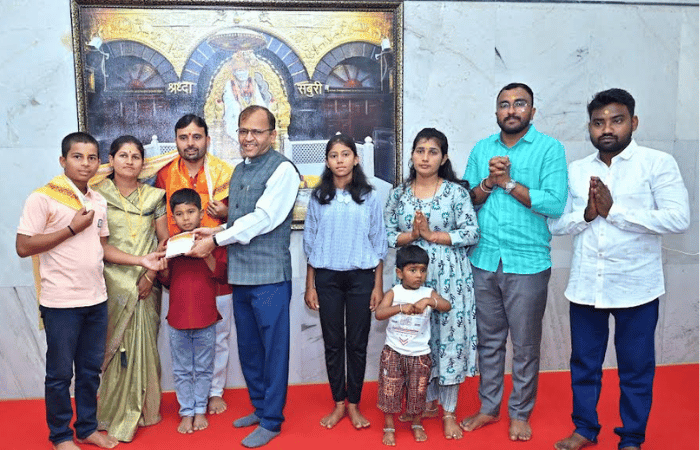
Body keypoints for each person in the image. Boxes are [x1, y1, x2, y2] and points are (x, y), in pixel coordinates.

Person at [549, 88, 690, 450]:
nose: (607, 129)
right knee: (583, 364)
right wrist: (586, 215)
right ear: (590, 127)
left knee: (636, 368)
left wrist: (615, 212)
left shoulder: (657, 163)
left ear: (633, 122)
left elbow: (679, 218)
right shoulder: (577, 170)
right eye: (598, 122)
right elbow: (556, 224)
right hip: (586, 285)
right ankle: (584, 429)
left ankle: (632, 437)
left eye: (616, 120)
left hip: (636, 287)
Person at [16, 132, 166, 450]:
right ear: (63, 160)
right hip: (61, 302)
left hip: (97, 298)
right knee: (59, 374)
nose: (85, 163)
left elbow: (103, 249)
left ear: (99, 162)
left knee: (89, 371)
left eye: (91, 157)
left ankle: (86, 428)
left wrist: (142, 261)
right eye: (77, 157)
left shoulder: (97, 200)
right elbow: (24, 246)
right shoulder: (43, 198)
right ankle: (60, 435)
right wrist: (71, 228)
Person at [461, 82, 568, 441]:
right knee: (488, 342)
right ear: (496, 112)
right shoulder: (482, 148)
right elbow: (466, 201)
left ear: (532, 111)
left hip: (528, 262)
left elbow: (554, 203)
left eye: (520, 103)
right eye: (504, 104)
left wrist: (508, 183)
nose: (512, 110)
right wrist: (489, 182)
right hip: (484, 259)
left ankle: (520, 412)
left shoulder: (550, 149)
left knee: (525, 345)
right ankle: (489, 408)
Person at [189, 105, 300, 448]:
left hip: (270, 277)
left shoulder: (284, 170)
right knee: (249, 349)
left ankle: (272, 420)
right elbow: (241, 220)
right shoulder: (239, 170)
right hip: (241, 276)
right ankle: (260, 407)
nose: (248, 138)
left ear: (272, 135)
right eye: (243, 131)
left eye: (256, 131)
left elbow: (264, 219)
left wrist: (215, 241)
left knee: (273, 350)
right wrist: (214, 230)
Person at [384, 128, 480, 440]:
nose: (425, 157)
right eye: (420, 150)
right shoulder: (399, 194)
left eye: (433, 151)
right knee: (417, 339)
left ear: (444, 158)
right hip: (411, 279)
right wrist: (412, 236)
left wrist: (432, 236)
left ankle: (449, 411)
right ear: (412, 155)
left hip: (450, 277)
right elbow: (387, 234)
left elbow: (472, 232)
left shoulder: (455, 193)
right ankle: (424, 401)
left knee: (449, 340)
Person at [303, 134, 388, 430]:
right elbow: (310, 243)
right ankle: (339, 402)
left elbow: (379, 242)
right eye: (333, 155)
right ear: (327, 162)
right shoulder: (318, 197)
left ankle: (354, 404)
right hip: (326, 277)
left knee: (357, 343)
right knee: (333, 343)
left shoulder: (369, 196)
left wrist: (378, 286)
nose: (340, 160)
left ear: (356, 158)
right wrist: (310, 286)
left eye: (345, 154)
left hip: (361, 278)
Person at [155, 114, 234, 415]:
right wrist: (164, 250)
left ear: (207, 140)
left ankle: (214, 392)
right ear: (176, 141)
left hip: (216, 262)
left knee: (220, 334)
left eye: (196, 136)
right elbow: (158, 215)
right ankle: (190, 400)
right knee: (186, 335)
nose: (190, 143)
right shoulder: (164, 174)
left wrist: (225, 212)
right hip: (180, 268)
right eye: (184, 137)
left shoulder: (223, 171)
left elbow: (241, 218)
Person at [93, 136, 169, 442]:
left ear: (142, 163)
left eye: (135, 156)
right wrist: (137, 266)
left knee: (144, 345)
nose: (129, 161)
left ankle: (146, 410)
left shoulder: (154, 196)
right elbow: (99, 247)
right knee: (115, 349)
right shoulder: (97, 195)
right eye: (123, 155)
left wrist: (149, 275)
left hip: (147, 283)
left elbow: (164, 241)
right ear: (111, 160)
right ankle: (112, 412)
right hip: (111, 283)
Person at [157, 188, 228, 435]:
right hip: (177, 318)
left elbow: (222, 274)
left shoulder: (211, 242)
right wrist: (162, 267)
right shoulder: (170, 244)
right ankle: (186, 412)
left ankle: (200, 410)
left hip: (206, 316)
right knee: (182, 369)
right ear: (172, 217)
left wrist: (204, 250)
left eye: (190, 212)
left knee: (204, 368)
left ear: (201, 213)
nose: (186, 218)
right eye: (179, 214)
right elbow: (167, 281)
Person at [375, 245, 452, 446]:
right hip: (393, 352)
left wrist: (429, 301)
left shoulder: (428, 292)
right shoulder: (394, 292)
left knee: (418, 392)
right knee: (390, 390)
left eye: (423, 270)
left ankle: (417, 423)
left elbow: (447, 306)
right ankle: (389, 427)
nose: (419, 275)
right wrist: (400, 308)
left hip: (420, 354)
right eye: (413, 270)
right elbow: (379, 313)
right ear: (399, 272)